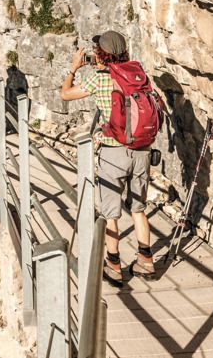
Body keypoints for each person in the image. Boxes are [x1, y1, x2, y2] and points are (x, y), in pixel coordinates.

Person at [58, 30, 158, 281]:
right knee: (138, 208)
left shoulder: (99, 79)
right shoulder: (138, 74)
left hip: (114, 152)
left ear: (101, 55)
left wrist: (73, 68)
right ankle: (145, 261)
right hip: (142, 149)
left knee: (110, 212)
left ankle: (114, 266)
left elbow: (65, 94)